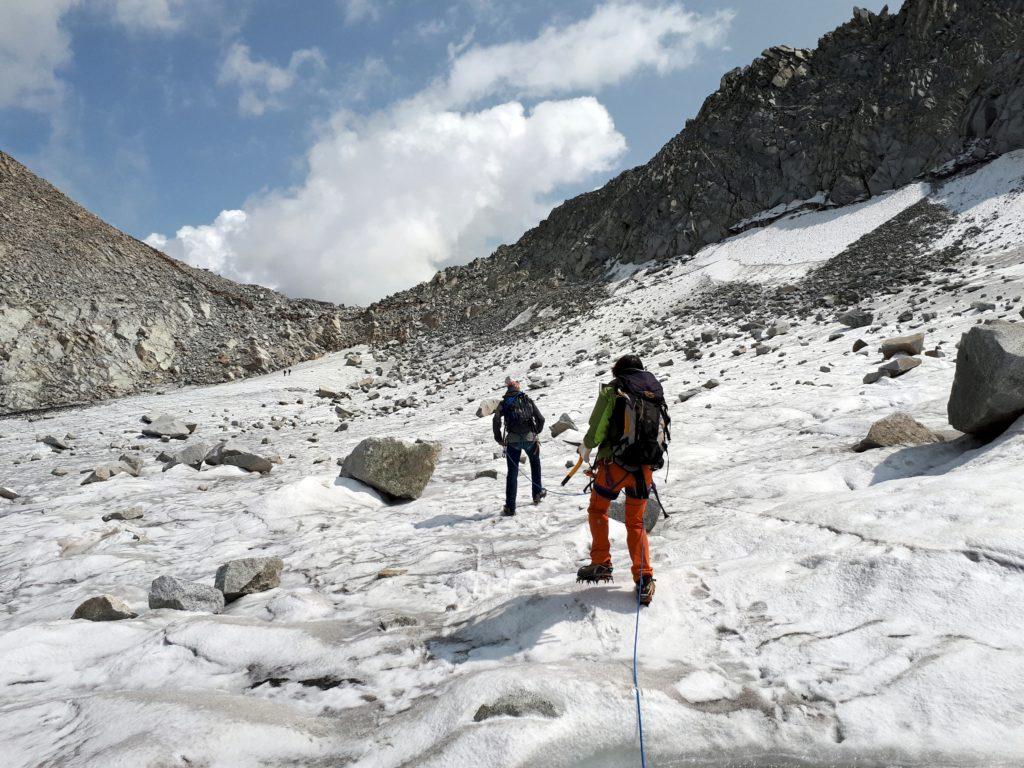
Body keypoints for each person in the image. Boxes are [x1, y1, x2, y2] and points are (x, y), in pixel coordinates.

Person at [575, 354, 669, 606]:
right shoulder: (654, 392)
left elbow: (599, 424)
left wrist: (587, 445)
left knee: (598, 509)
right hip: (644, 468)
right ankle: (644, 578)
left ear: (619, 371)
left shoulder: (614, 389)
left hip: (614, 465)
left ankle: (601, 562)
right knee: (636, 522)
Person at [492, 377, 546, 516]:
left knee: (512, 473)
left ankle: (510, 507)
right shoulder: (526, 399)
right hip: (530, 439)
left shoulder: (504, 403)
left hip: (512, 442)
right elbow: (541, 419)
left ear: (508, 388)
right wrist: (535, 433)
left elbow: (496, 419)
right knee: (535, 464)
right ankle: (537, 494)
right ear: (518, 387)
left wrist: (499, 438)